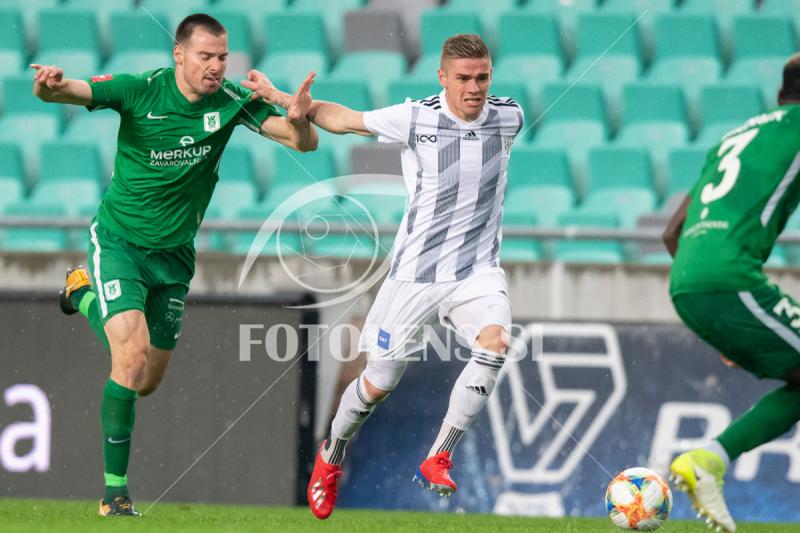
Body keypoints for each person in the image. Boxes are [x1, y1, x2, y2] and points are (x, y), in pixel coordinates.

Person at [32, 13, 318, 516]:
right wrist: (48, 85)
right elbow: (63, 93)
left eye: (223, 57)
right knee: (130, 359)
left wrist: (298, 117)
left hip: (175, 257)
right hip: (119, 242)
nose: (216, 66)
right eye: (206, 56)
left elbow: (302, 144)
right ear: (179, 54)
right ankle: (114, 494)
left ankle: (80, 293)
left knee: (147, 380)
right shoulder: (139, 89)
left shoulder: (230, 99)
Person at [244, 33, 524, 520]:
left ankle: (440, 456)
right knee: (377, 383)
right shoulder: (416, 117)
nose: (475, 88)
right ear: (442, 78)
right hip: (414, 276)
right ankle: (332, 454)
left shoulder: (509, 117)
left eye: (482, 78)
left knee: (496, 343)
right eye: (464, 78)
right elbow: (343, 119)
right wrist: (289, 101)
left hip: (477, 271)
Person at [663, 53, 800, 533]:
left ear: (780, 94)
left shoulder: (731, 139)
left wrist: (725, 318)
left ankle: (710, 458)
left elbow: (671, 231)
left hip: (686, 284)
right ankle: (708, 461)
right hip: (730, 281)